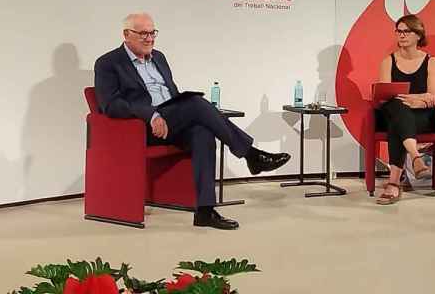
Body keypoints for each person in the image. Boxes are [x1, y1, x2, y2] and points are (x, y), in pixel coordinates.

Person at [94, 12, 291, 229]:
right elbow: (111, 105)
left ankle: (205, 212)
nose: (149, 38)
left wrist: (176, 110)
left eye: (152, 33)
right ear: (126, 34)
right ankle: (251, 154)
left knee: (203, 133)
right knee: (196, 103)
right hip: (142, 128)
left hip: (171, 120)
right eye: (143, 34)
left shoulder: (159, 57)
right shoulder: (108, 63)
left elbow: (171, 93)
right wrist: (150, 114)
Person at [374, 14, 435, 205]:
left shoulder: (432, 62)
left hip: (421, 117)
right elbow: (386, 94)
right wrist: (416, 99)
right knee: (396, 106)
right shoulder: (388, 61)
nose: (401, 35)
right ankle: (415, 157)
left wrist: (416, 100)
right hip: (394, 112)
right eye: (399, 31)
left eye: (406, 31)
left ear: (418, 35)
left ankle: (394, 183)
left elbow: (433, 96)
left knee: (399, 121)